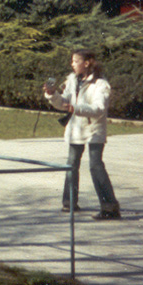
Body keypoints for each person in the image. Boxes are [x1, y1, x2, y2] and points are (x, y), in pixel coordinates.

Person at [43, 49, 121, 220]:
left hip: (94, 129)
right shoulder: (72, 80)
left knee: (95, 165)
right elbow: (64, 103)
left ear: (87, 63)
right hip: (76, 128)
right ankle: (69, 202)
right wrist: (52, 95)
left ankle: (110, 207)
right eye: (72, 61)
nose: (72, 64)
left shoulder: (101, 84)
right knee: (71, 164)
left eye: (76, 61)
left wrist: (75, 108)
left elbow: (99, 109)